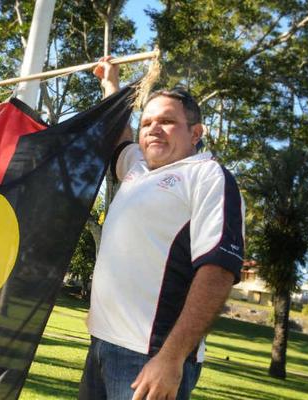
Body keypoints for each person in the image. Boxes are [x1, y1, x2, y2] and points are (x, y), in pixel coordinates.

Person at [79, 57, 245, 400]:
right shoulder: (137, 170)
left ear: (196, 133)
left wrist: (171, 357)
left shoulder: (208, 176)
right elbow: (120, 138)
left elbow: (218, 271)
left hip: (147, 357)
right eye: (148, 122)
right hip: (101, 344)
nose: (153, 128)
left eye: (168, 121)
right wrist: (111, 85)